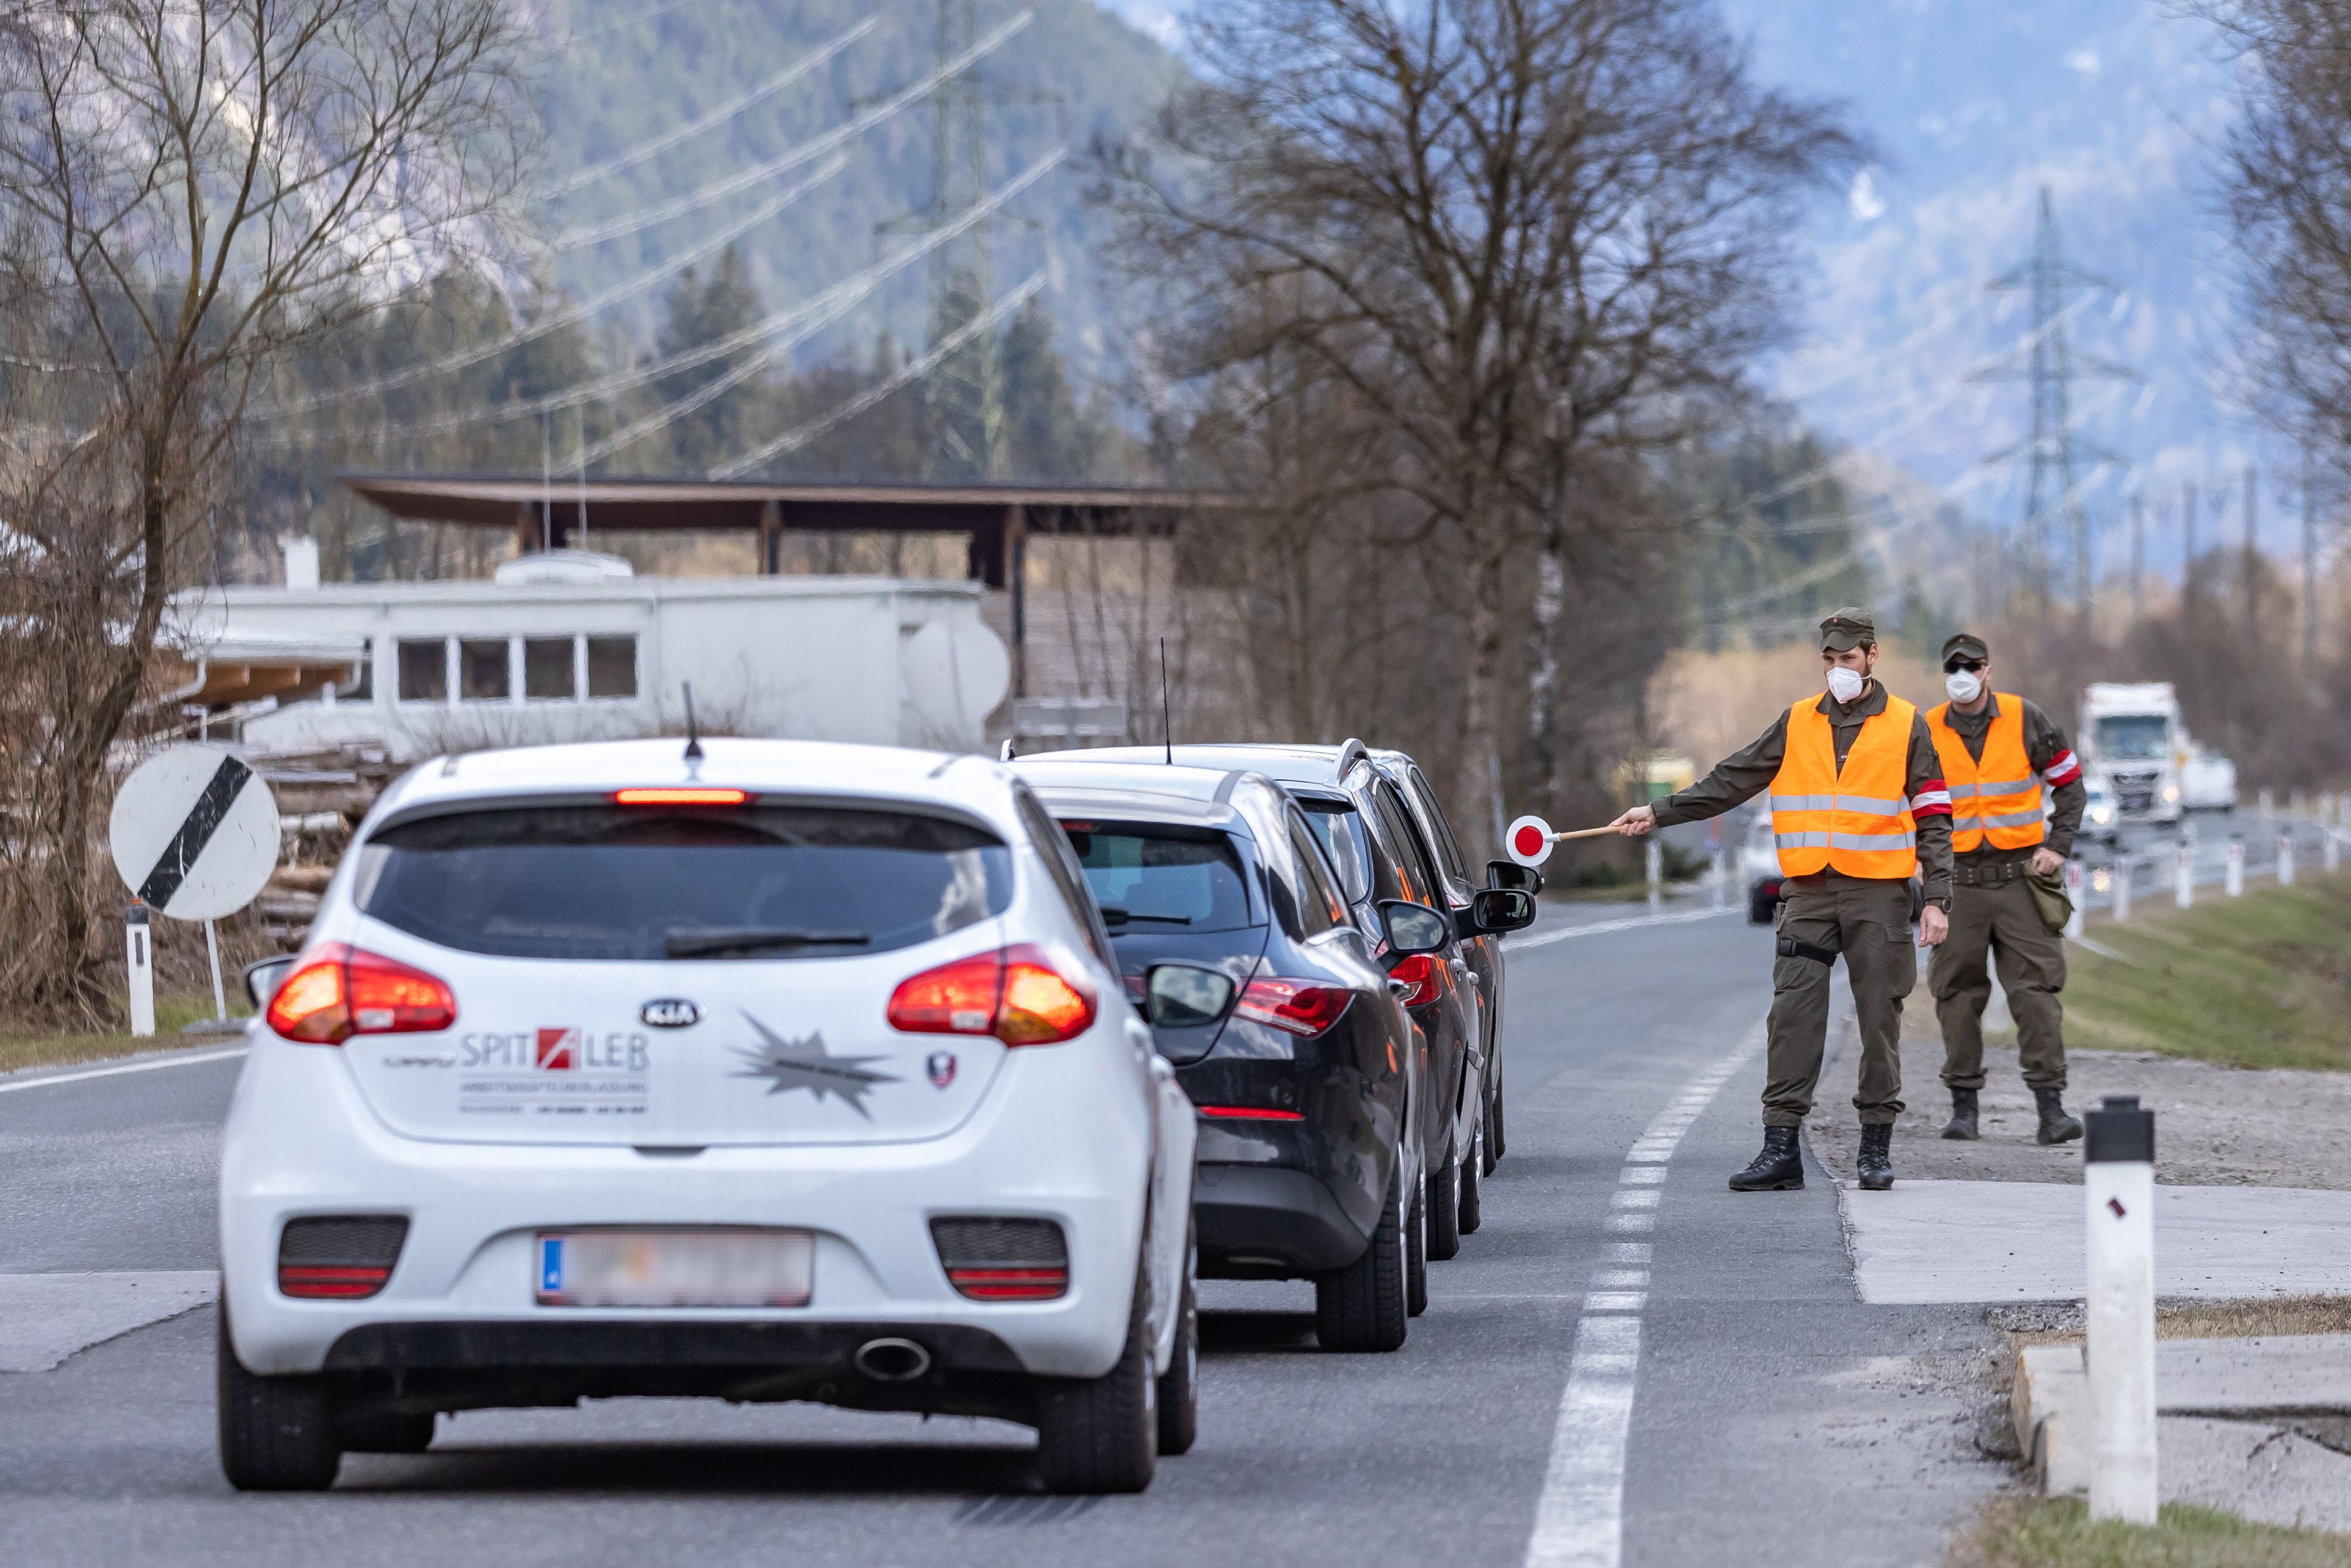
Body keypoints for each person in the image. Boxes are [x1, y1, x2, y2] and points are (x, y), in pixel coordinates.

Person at [1609, 608, 1951, 1193]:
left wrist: (1938, 898)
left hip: (1880, 897)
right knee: (1791, 1019)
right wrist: (1660, 811)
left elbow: (1936, 817)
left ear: (1872, 656)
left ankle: (1875, 1148)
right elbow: (1732, 778)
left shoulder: (1907, 724)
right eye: (1829, 660)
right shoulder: (1797, 722)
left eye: (1847, 659)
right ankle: (1780, 1147)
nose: (1837, 669)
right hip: (1808, 895)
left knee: (1878, 1022)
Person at [1921, 632, 2087, 1146]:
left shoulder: (2024, 717)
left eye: (1972, 666)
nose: (1962, 675)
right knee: (1956, 995)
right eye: (1954, 666)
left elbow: (2070, 783)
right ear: (1944, 672)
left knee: (2035, 994)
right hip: (1959, 885)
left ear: (1989, 670)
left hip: (2022, 882)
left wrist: (2058, 844)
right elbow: (1905, 803)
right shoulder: (1924, 729)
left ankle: (2050, 1109)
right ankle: (1964, 1109)